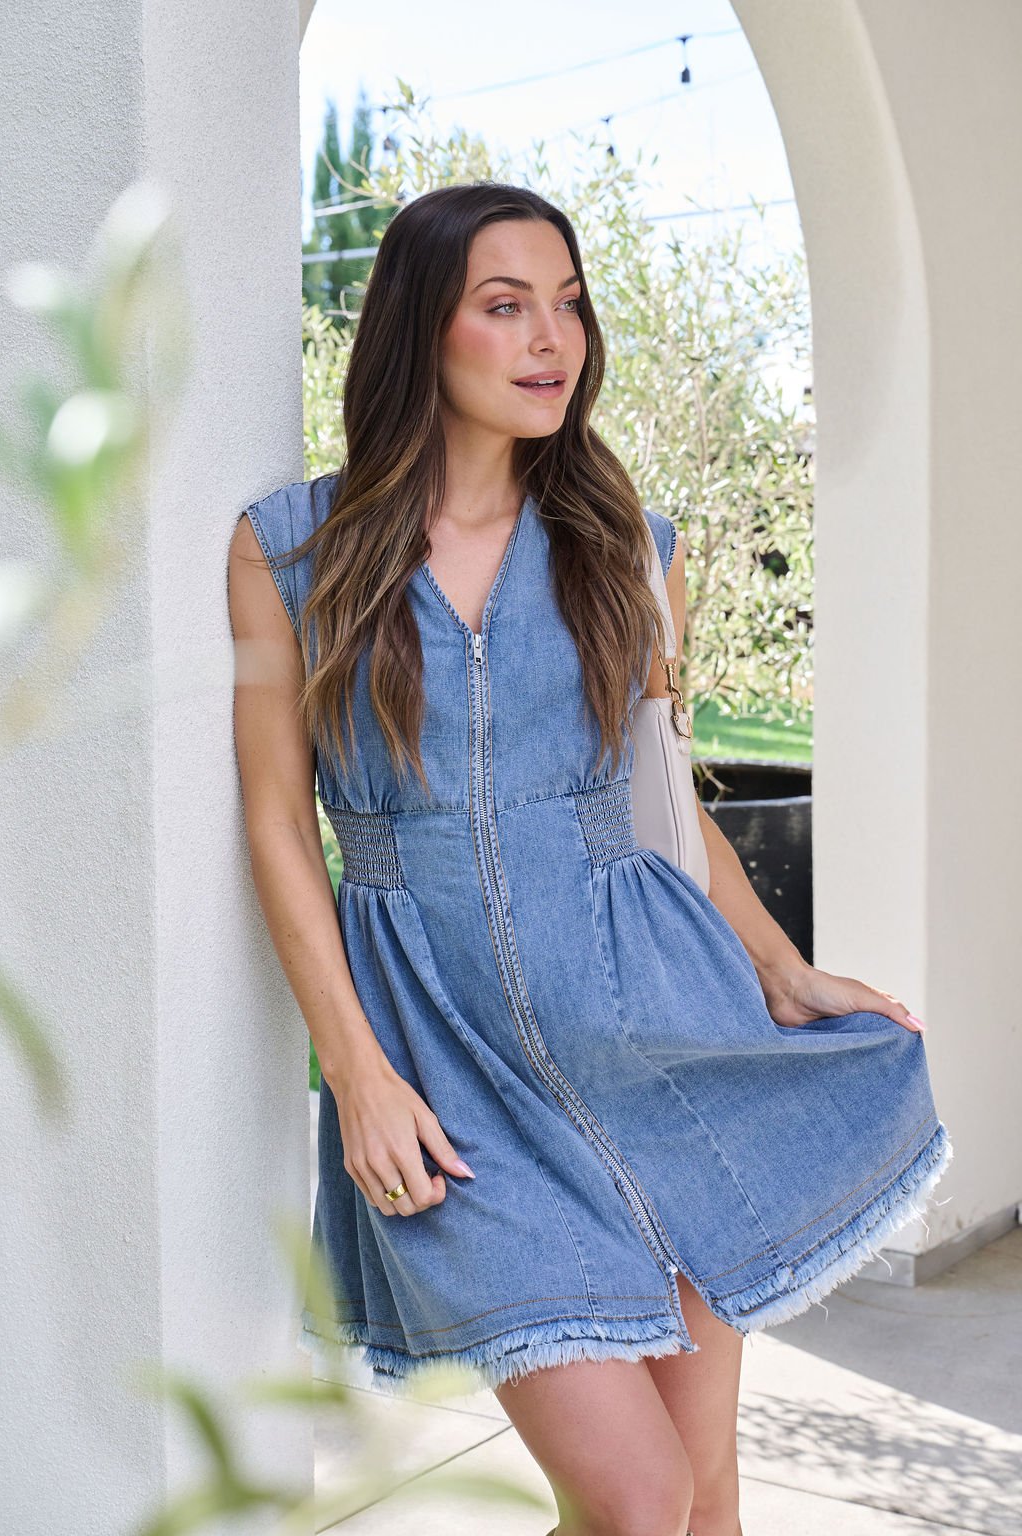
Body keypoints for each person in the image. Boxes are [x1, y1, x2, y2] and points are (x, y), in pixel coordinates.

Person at [228, 182, 952, 1536]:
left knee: (705, 1489)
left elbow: (660, 809)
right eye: (504, 306)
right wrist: (359, 1074)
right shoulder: (292, 556)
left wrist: (783, 974)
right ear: (419, 333)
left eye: (566, 302)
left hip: (659, 1037)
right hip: (446, 1069)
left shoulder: (629, 549)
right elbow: (278, 820)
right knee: (634, 1494)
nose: (550, 336)